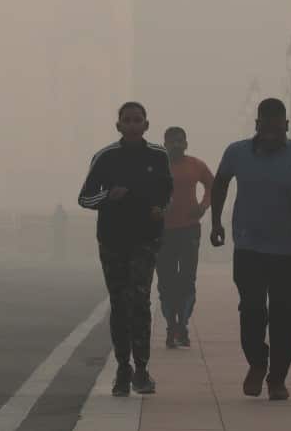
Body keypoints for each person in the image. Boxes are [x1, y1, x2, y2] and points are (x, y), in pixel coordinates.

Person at [209, 98, 291, 402]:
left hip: (289, 252)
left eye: (278, 127)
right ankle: (258, 363)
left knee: (287, 317)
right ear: (257, 125)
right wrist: (216, 222)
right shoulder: (237, 152)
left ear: (286, 125)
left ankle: (277, 378)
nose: (271, 133)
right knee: (252, 311)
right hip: (249, 249)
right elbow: (219, 183)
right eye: (266, 126)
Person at [78, 102, 173, 397]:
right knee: (120, 304)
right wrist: (108, 196)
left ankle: (141, 369)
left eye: (137, 120)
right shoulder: (106, 158)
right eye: (127, 120)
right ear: (118, 125)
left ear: (146, 125)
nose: (132, 125)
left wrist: (161, 208)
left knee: (141, 301)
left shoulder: (158, 156)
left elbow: (166, 190)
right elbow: (85, 198)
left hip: (145, 239)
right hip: (113, 241)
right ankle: (123, 367)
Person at [157, 126, 213, 349]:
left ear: (186, 144)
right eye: (172, 142)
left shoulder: (196, 165)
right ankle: (171, 325)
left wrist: (203, 205)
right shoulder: (157, 167)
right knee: (166, 281)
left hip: (189, 229)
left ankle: (183, 324)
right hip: (162, 231)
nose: (177, 145)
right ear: (165, 144)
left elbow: (212, 185)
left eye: (180, 141)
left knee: (187, 279)